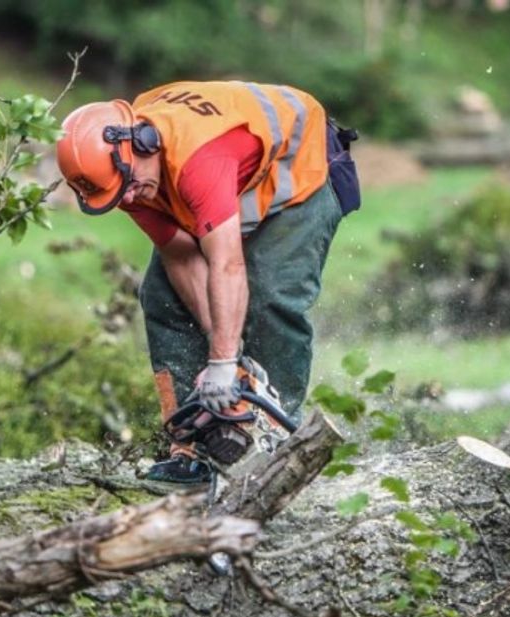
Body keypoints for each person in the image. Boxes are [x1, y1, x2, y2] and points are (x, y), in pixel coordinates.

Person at [56, 80, 359, 483]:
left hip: (303, 169)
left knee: (271, 292)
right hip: (235, 183)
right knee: (162, 296)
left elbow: (227, 266)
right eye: (116, 196)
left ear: (143, 143)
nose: (128, 200)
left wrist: (223, 362)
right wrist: (225, 355)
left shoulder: (197, 158)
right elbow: (180, 256)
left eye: (127, 186)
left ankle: (276, 438)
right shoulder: (127, 177)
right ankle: (192, 443)